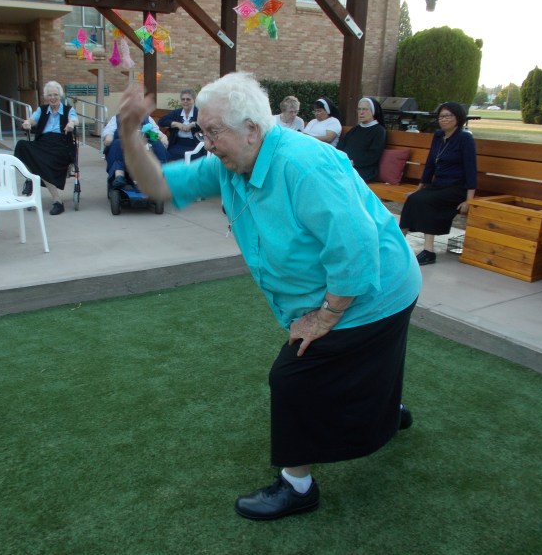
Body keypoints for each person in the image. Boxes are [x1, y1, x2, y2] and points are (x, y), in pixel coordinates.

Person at [116, 73, 422, 521]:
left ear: (252, 129)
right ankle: (387, 411)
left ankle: (298, 487)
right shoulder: (230, 165)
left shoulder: (303, 164)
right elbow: (158, 184)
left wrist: (325, 316)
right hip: (360, 284)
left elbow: (355, 249)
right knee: (371, 362)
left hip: (375, 289)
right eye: (203, 131)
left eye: (213, 132)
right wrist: (128, 132)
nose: (207, 143)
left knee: (293, 376)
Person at [399, 102, 477, 266]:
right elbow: (430, 165)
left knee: (427, 200)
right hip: (438, 186)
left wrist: (469, 200)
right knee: (413, 198)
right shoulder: (439, 136)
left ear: (458, 118)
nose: (444, 119)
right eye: (441, 116)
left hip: (457, 188)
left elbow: (471, 169)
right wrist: (419, 189)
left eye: (448, 116)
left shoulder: (465, 138)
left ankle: (429, 251)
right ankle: (399, 243)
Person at [15, 81, 78, 216]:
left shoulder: (68, 110)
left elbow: (74, 119)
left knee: (43, 161)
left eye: (55, 94)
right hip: (43, 143)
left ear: (60, 95)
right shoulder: (42, 110)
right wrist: (27, 123)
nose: (53, 98)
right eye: (50, 95)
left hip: (61, 144)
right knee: (21, 146)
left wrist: (71, 124)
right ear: (46, 97)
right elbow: (32, 120)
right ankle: (30, 177)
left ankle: (57, 201)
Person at [102, 113, 168, 190]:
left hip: (144, 142)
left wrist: (162, 136)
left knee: (157, 144)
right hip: (124, 142)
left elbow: (155, 130)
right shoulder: (117, 118)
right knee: (117, 143)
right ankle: (119, 175)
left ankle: (160, 174)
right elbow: (109, 130)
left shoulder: (147, 118)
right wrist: (108, 135)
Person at [337, 97, 386, 182]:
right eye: (359, 109)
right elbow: (341, 147)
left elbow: (373, 155)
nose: (361, 112)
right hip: (347, 165)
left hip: (365, 169)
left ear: (373, 111)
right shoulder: (354, 130)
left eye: (365, 109)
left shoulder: (379, 131)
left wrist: (353, 162)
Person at [157, 89, 205, 161]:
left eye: (188, 99)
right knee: (169, 155)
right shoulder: (177, 113)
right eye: (183, 99)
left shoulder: (198, 112)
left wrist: (193, 124)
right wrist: (177, 124)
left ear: (194, 100)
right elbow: (161, 121)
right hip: (178, 143)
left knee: (193, 156)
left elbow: (206, 123)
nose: (185, 101)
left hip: (195, 143)